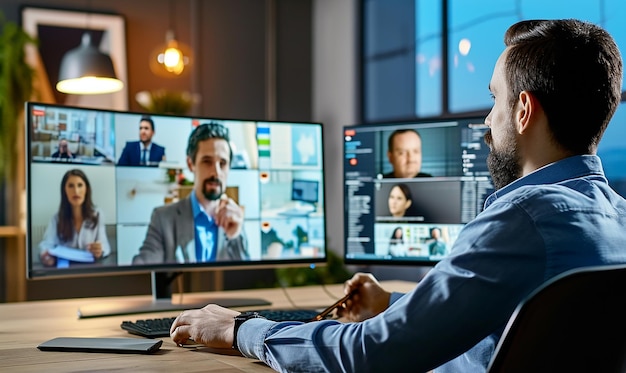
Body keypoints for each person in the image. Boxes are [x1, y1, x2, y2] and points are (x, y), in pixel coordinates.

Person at [169, 19, 626, 372]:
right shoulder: (617, 218)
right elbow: (490, 322)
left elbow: (368, 354)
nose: (487, 123)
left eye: (494, 101)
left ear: (523, 111)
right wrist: (389, 305)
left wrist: (241, 329)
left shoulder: (520, 222)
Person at [132, 122, 248, 264]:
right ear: (190, 164)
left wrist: (235, 236)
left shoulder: (234, 218)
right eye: (207, 161)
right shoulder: (163, 219)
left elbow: (249, 278)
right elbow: (142, 267)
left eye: (222, 163)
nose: (216, 172)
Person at [39, 169, 111, 266]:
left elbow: (105, 246)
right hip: (65, 271)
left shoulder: (97, 215)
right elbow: (46, 245)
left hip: (90, 270)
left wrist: (99, 250)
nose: (76, 191)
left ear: (86, 189)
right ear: (64, 191)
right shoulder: (56, 218)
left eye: (80, 185)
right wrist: (46, 256)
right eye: (71, 186)